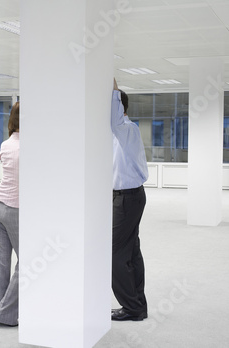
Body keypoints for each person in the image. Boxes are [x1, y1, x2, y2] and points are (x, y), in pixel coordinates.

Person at [110, 79, 149, 321]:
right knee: (131, 251)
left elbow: (113, 117)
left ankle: (131, 307)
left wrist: (111, 87)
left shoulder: (126, 128)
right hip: (128, 198)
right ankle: (137, 306)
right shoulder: (120, 132)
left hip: (128, 199)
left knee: (114, 254)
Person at [0, 101, 20, 328]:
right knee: (29, 262)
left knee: (2, 262)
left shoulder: (6, 143)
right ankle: (4, 314)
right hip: (13, 209)